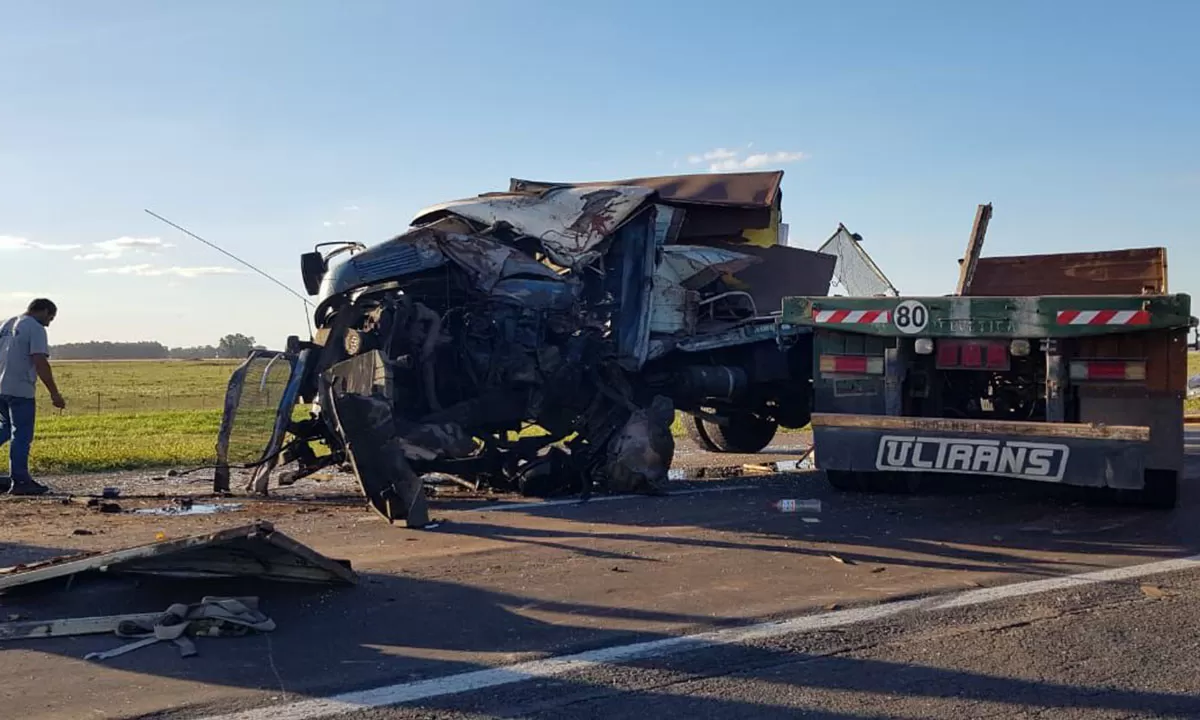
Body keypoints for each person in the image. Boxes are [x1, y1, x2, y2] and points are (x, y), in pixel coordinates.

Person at [0, 298, 66, 495]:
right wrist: (54, 393)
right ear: (44, 311)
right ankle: (20, 481)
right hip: (20, 389)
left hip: (1, 387)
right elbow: (40, 361)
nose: (49, 323)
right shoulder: (35, 328)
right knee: (21, 435)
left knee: (4, 428)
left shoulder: (6, 323)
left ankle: (19, 478)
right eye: (50, 318)